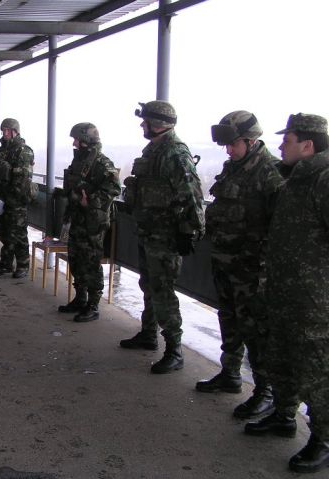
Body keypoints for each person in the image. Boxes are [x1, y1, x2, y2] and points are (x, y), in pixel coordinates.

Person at [246, 113, 329, 473]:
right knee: (280, 359)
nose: (280, 146)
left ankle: (323, 439)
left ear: (308, 145)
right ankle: (283, 416)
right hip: (284, 292)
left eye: (288, 140)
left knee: (316, 371)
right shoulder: (296, 178)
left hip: (314, 301)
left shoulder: (323, 180)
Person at [195, 111, 284, 420]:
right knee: (229, 321)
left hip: (252, 271)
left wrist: (263, 269)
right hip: (226, 263)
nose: (228, 150)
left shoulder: (271, 174)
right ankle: (230, 374)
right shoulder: (233, 169)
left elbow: (280, 229)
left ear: (251, 140)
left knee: (256, 332)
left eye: (233, 144)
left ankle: (265, 391)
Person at [120, 101, 205, 374]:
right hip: (149, 232)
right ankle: (148, 334)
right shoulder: (154, 150)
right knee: (149, 285)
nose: (142, 125)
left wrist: (189, 231)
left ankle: (174, 350)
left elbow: (192, 195)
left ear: (158, 124)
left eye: (145, 121)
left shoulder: (175, 153)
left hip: (166, 237)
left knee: (162, 291)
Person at [57, 123, 120, 322]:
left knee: (91, 262)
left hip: (93, 223)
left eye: (76, 139)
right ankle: (80, 298)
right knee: (76, 259)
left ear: (86, 140)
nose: (74, 143)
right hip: (77, 218)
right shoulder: (80, 161)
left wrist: (90, 201)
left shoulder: (102, 162)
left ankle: (93, 305)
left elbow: (113, 189)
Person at [0, 118, 35, 279]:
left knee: (18, 234)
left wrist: (11, 196)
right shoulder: (0, 152)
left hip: (17, 200)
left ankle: (23, 265)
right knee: (3, 231)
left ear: (15, 132)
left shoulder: (24, 151)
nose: (5, 133)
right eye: (3, 130)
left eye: (8, 130)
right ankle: (6, 262)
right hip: (1, 198)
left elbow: (23, 177)